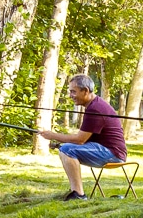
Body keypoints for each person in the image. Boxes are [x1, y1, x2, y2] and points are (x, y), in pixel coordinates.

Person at [37, 73, 127, 201]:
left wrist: (52, 135)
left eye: (73, 92)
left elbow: (80, 140)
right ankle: (76, 191)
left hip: (112, 154)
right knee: (66, 148)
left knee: (68, 149)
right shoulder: (94, 105)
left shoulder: (95, 108)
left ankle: (78, 194)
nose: (70, 96)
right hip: (107, 150)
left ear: (85, 91)